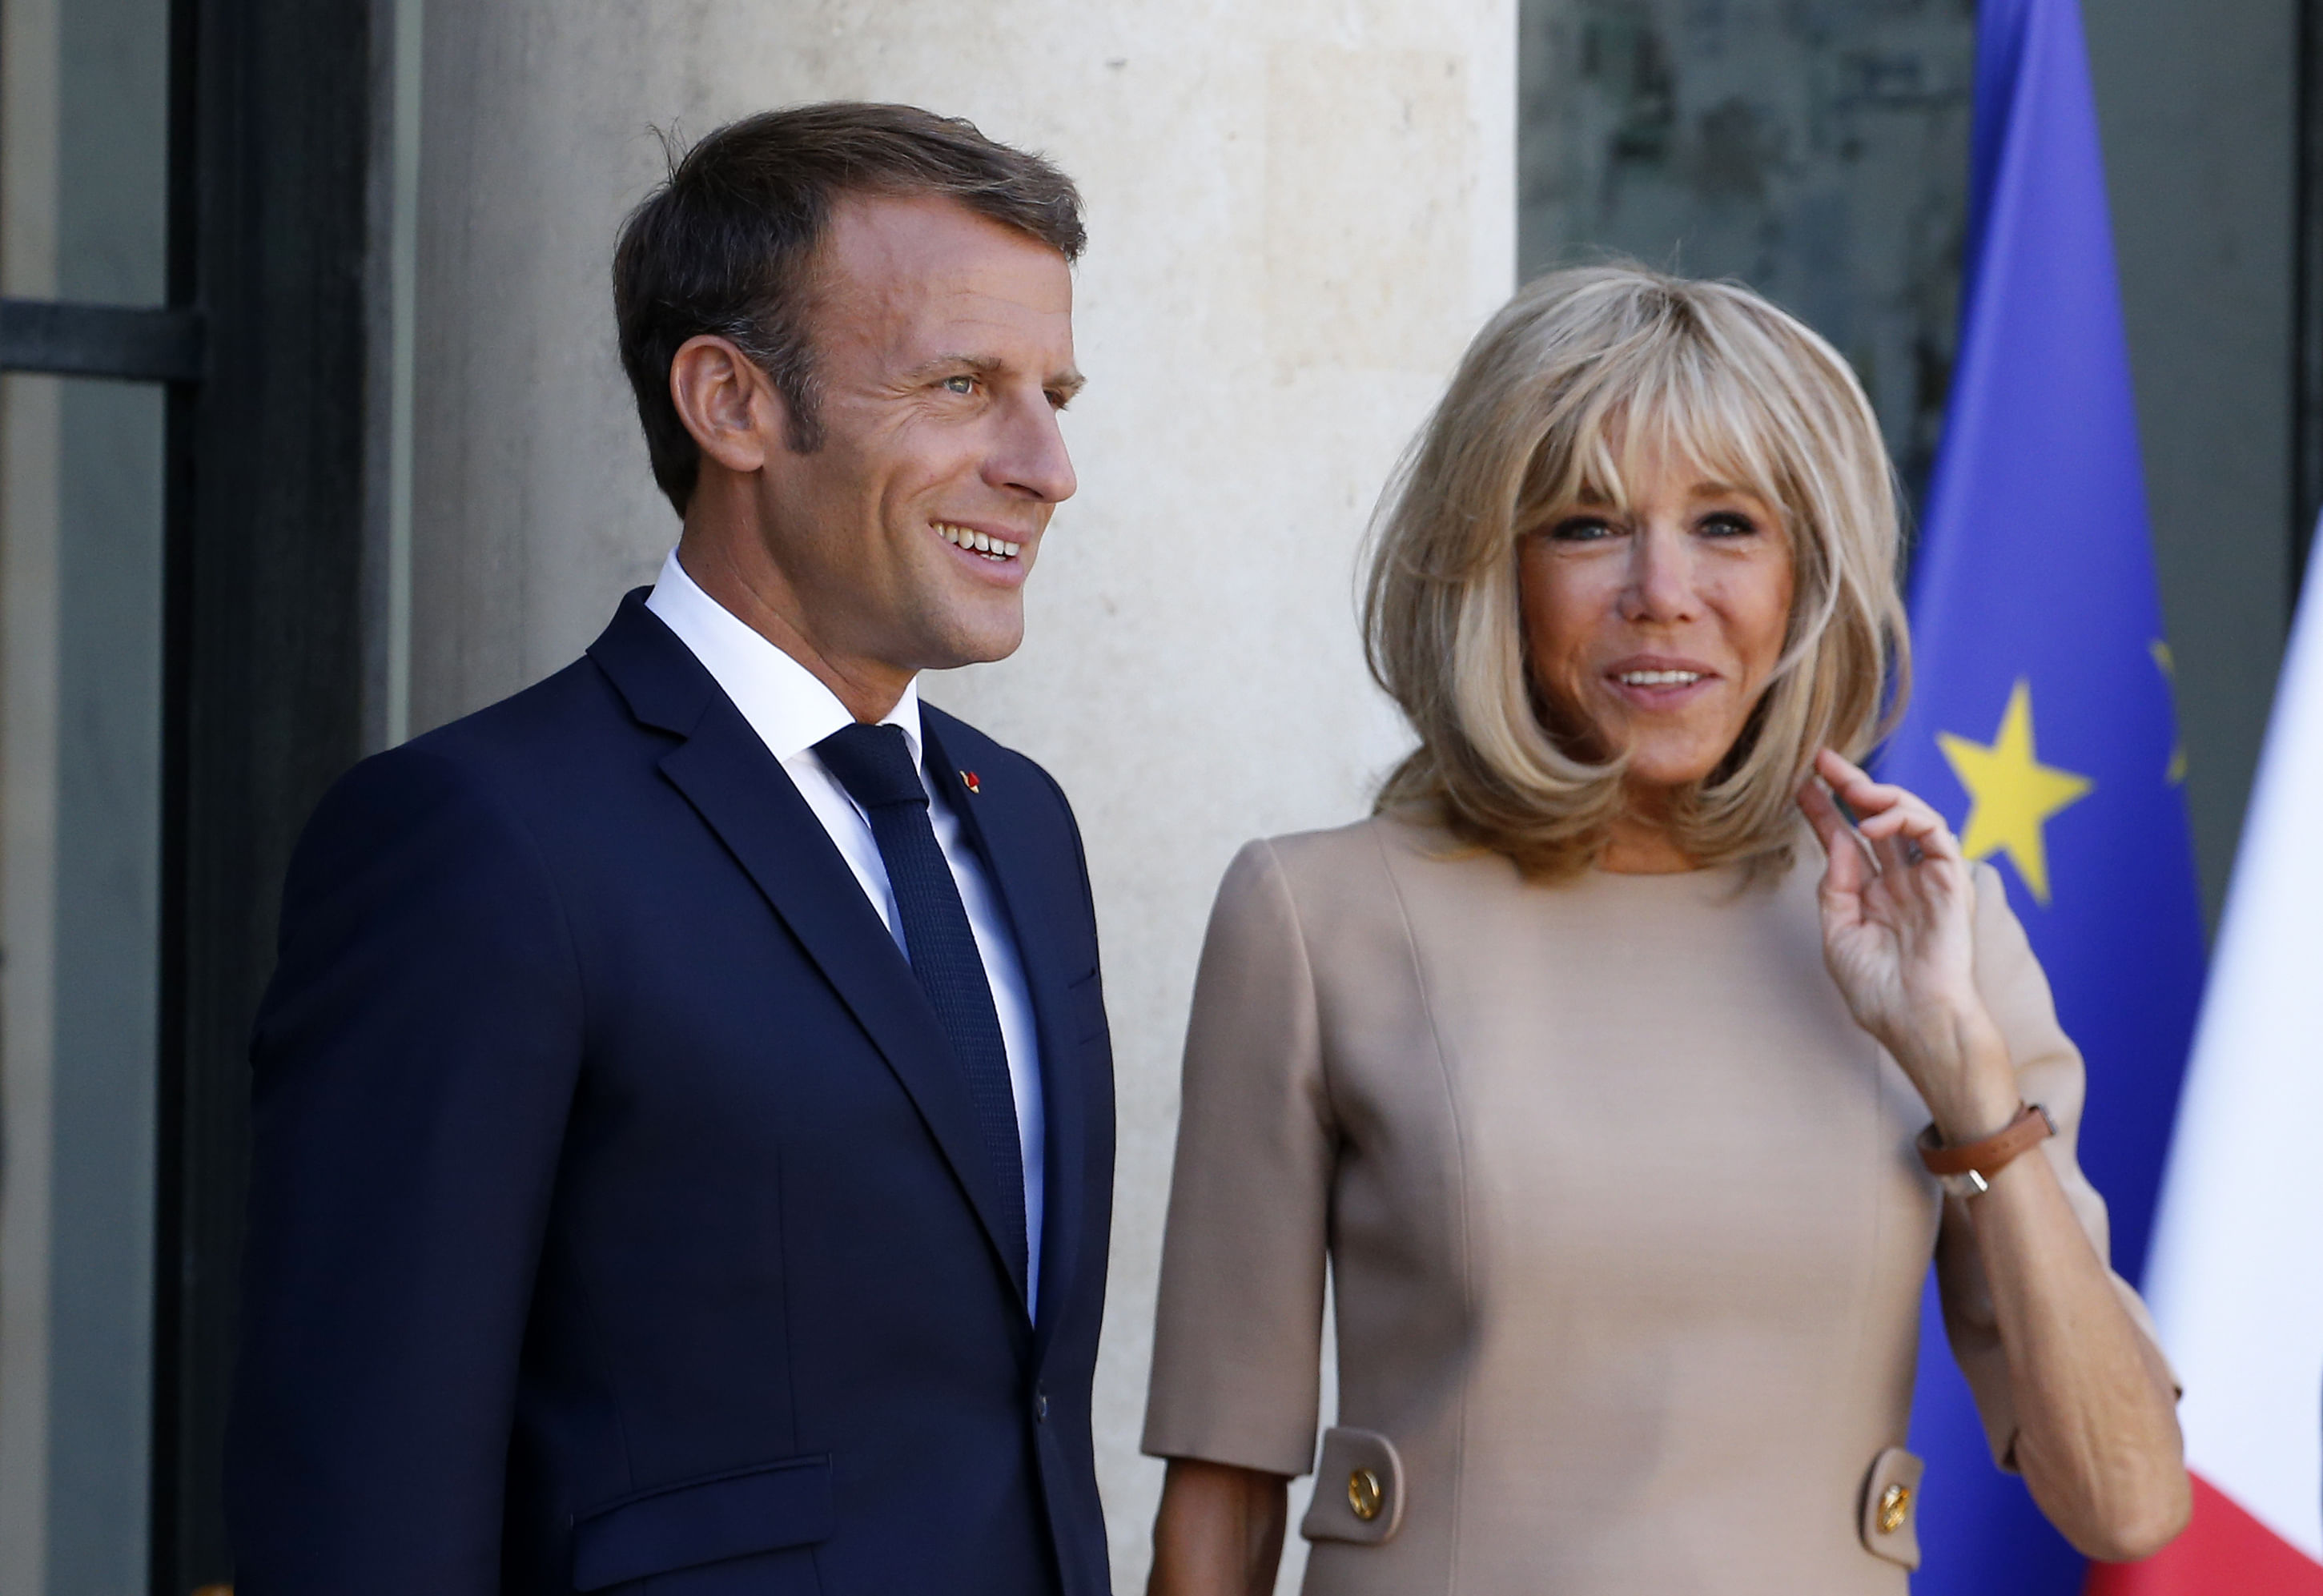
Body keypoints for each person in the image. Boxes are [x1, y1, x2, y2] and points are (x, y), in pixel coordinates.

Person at [1140, 264, 2188, 1594]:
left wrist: (1964, 1080)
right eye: (1584, 525)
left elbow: (2124, 1499)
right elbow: (1219, 1500)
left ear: (1808, 575)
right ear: (1491, 571)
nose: (1661, 590)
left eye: (1727, 524)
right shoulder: (1313, 916)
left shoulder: (1938, 930)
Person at [227, 103, 1115, 1595]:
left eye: (1055, 392)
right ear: (730, 403)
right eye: (963, 384)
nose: (1044, 465)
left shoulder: (1020, 822)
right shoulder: (481, 840)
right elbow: (359, 1490)